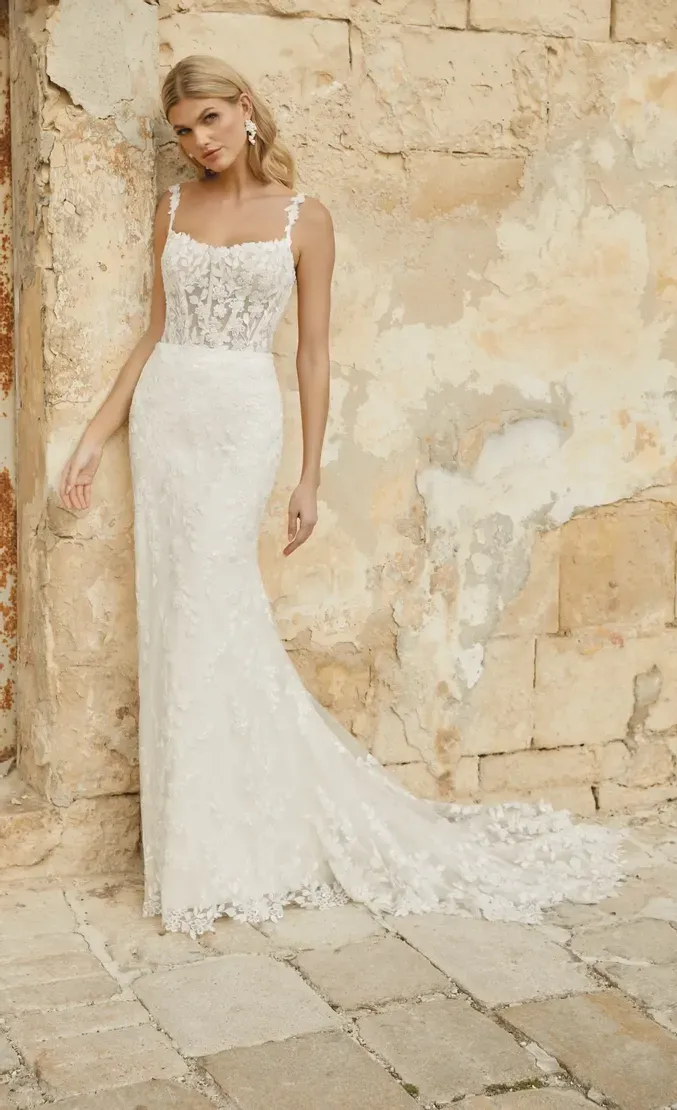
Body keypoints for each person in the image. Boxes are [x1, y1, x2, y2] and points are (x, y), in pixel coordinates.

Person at [59, 54, 623, 938]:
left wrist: (309, 474)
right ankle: (200, 849)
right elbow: (155, 333)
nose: (196, 142)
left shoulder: (304, 219)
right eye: (181, 130)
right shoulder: (170, 208)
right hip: (169, 417)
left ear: (243, 109)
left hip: (242, 422)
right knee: (175, 620)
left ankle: (241, 840)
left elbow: (314, 354)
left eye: (208, 120)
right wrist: (95, 437)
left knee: (213, 606)